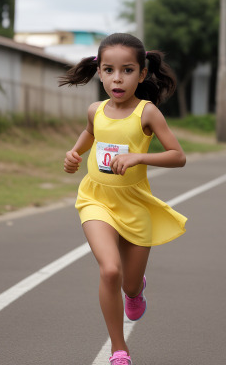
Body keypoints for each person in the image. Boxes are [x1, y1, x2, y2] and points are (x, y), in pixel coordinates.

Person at [60, 33, 187, 365]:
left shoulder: (147, 113)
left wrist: (138, 158)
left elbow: (178, 156)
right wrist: (75, 154)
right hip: (96, 199)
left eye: (127, 70)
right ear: (99, 72)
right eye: (109, 70)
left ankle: (136, 289)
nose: (118, 78)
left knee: (128, 284)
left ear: (142, 74)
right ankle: (119, 349)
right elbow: (90, 133)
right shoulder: (95, 110)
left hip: (135, 204)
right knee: (110, 270)